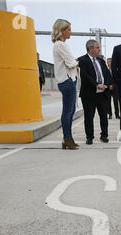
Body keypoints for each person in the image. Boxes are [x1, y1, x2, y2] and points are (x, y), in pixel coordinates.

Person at [52, 19, 79, 150]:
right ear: (62, 30)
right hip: (67, 80)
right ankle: (67, 138)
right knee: (68, 111)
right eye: (68, 29)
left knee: (69, 110)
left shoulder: (59, 45)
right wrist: (77, 62)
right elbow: (71, 63)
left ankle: (67, 138)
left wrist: (74, 61)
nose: (70, 32)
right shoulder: (61, 45)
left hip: (67, 80)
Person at [78, 40, 112, 144]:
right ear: (90, 49)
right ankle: (89, 137)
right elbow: (84, 76)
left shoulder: (101, 61)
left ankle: (104, 135)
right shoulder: (82, 60)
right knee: (89, 117)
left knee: (103, 116)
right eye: (97, 47)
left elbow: (107, 74)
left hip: (102, 93)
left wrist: (106, 84)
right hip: (89, 94)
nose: (99, 49)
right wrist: (97, 84)